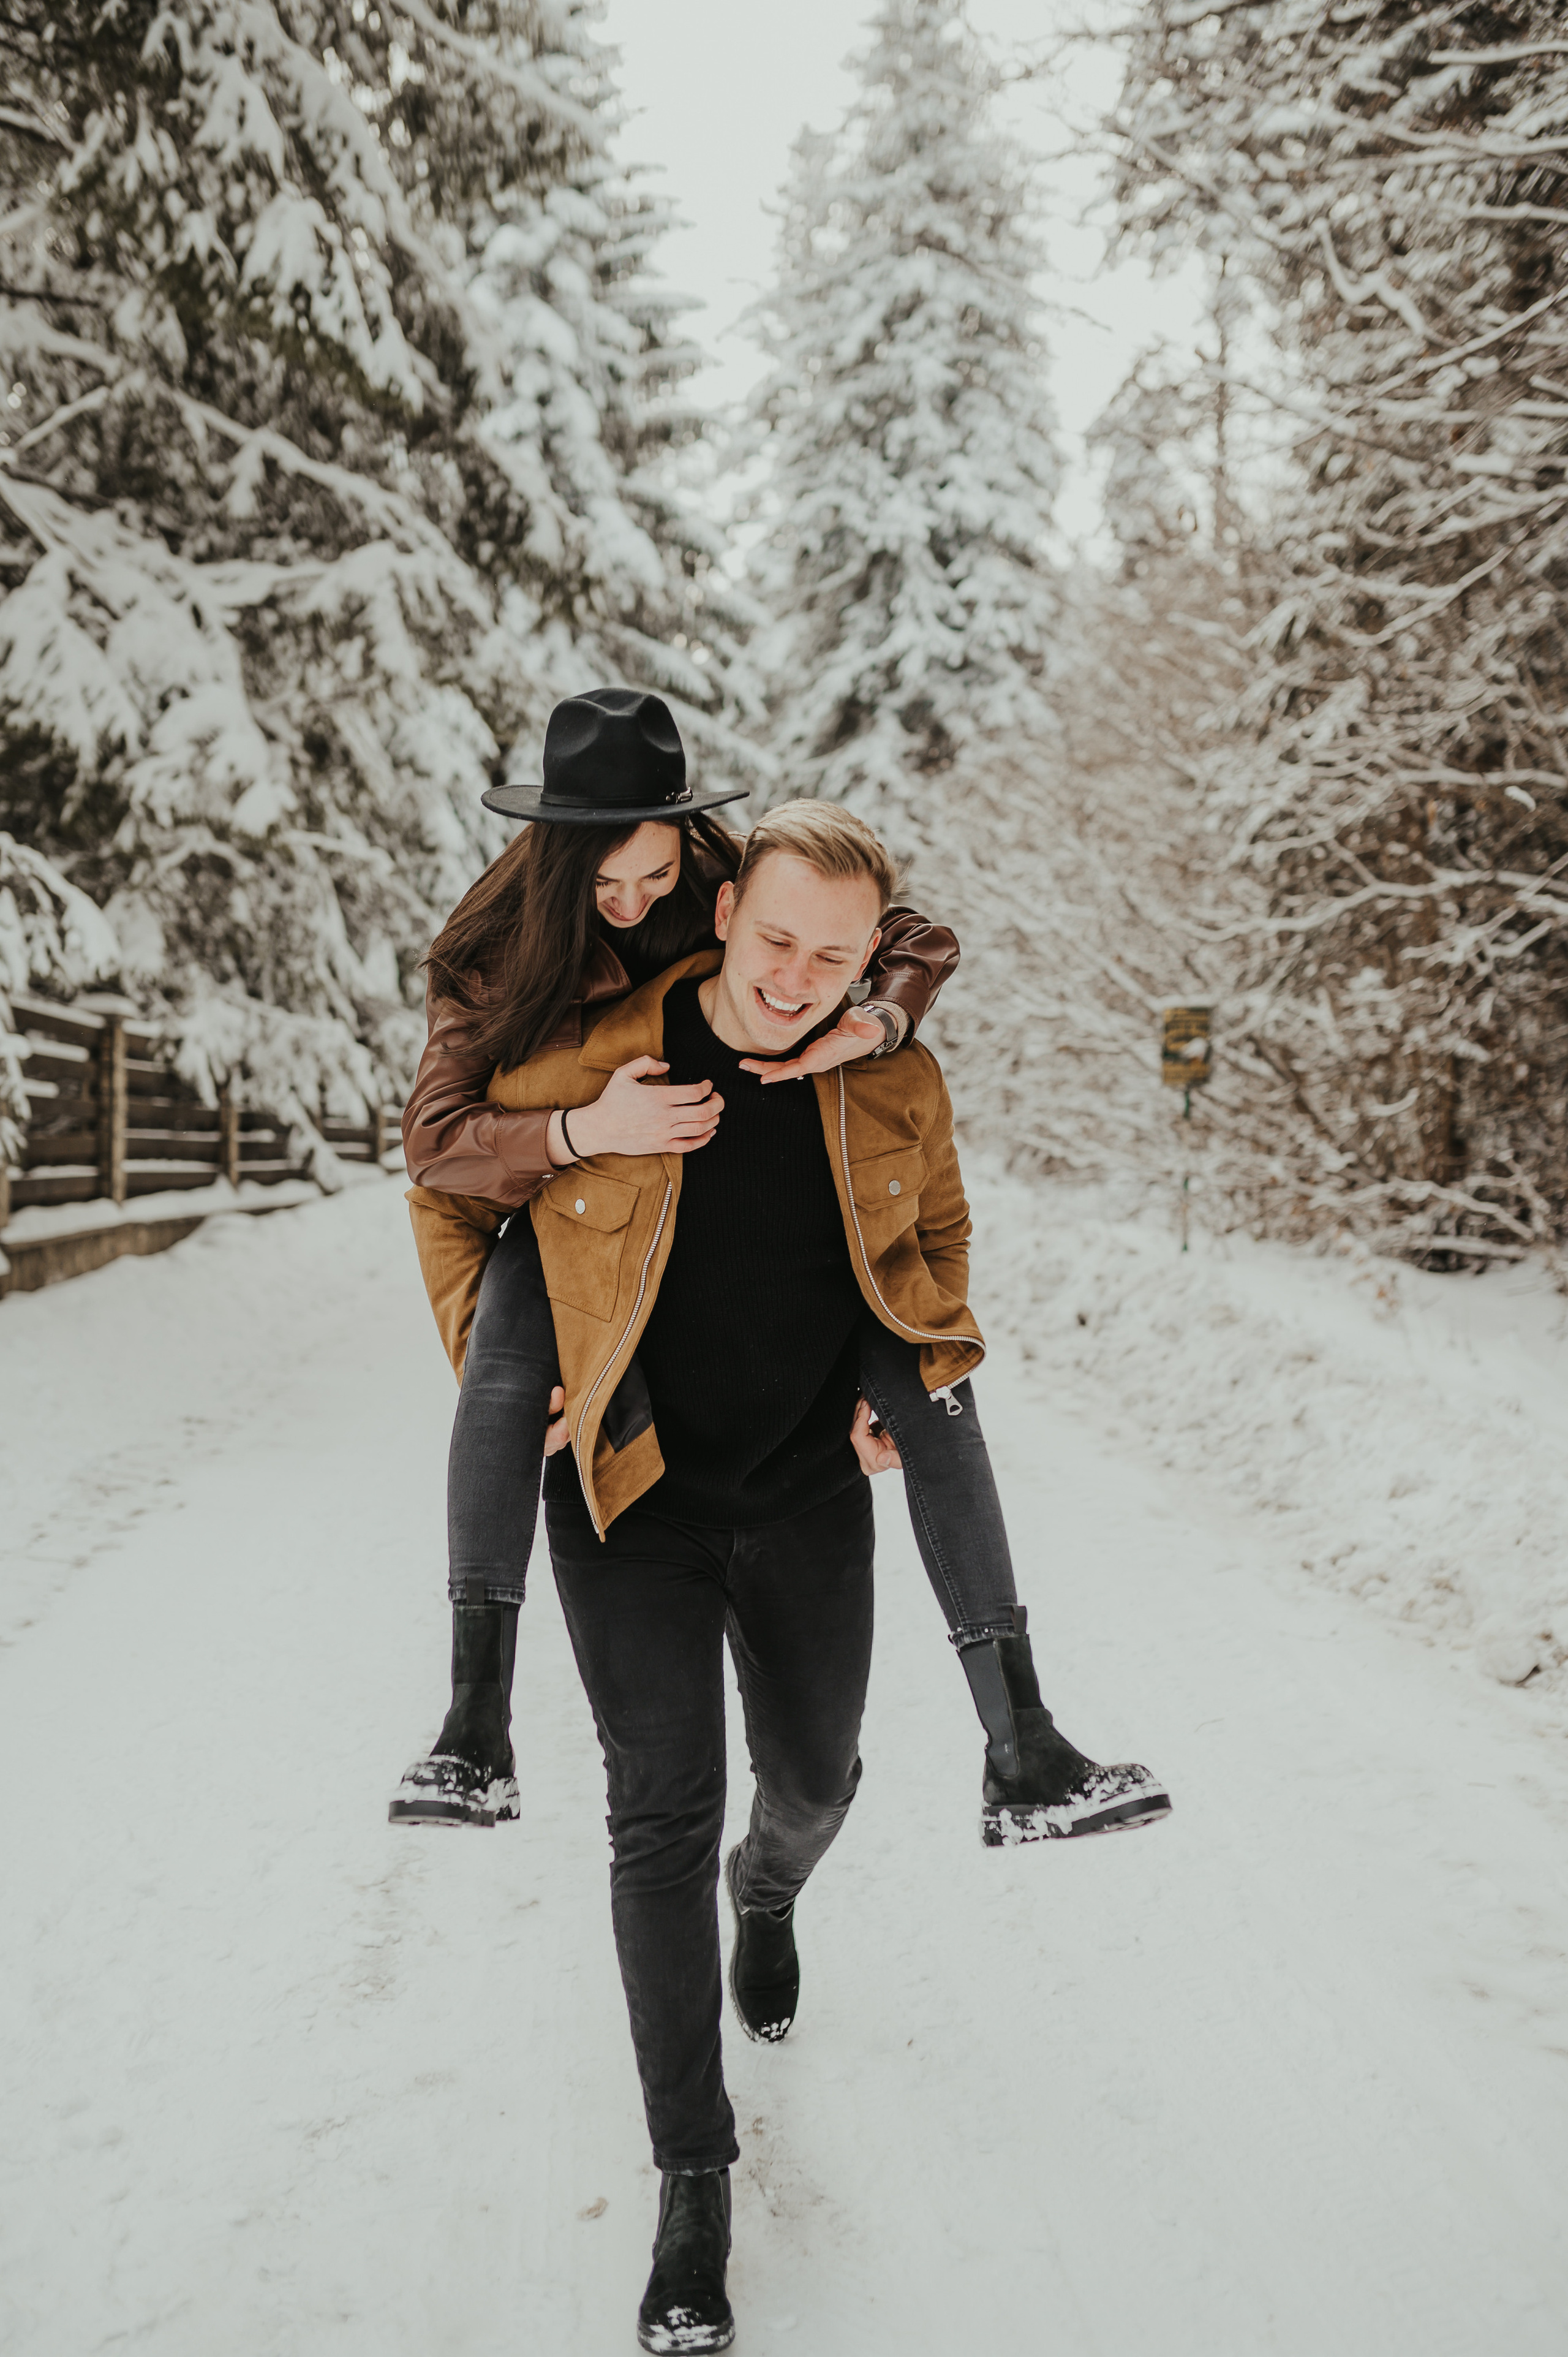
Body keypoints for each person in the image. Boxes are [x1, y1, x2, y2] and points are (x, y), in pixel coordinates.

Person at [415, 796, 1168, 2351]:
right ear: (722, 908)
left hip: (809, 1492)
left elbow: (937, 1231)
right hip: (630, 1496)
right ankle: (693, 2180)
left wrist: (895, 1369)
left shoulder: (886, 1060)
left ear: (865, 955)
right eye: (771, 940)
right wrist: (568, 1147)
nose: (793, 975)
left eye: (831, 955)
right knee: (655, 1808)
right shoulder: (606, 1045)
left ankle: (791, 1878)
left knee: (812, 1776)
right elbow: (451, 1170)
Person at [393, 690, 1169, 1855]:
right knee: (508, 1345)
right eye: (605, 885)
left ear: (694, 851)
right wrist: (582, 1133)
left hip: (741, 1198)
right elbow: (436, 1154)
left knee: (930, 1360)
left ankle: (1024, 1747)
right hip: (569, 1195)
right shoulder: (497, 955)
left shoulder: (736, 879)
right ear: (552, 854)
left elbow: (909, 935)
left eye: (656, 879)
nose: (634, 904)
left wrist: (884, 1021)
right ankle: (472, 1726)